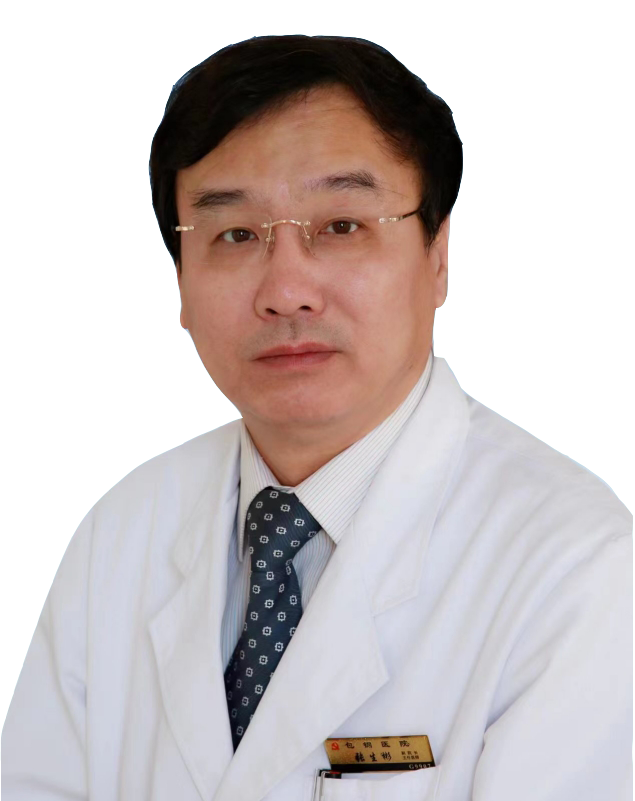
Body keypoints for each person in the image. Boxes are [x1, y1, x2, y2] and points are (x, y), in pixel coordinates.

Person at [1, 34, 632, 801]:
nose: (286, 292)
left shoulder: (576, 567)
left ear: (436, 257)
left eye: (341, 226)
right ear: (180, 281)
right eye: (235, 234)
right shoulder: (120, 533)